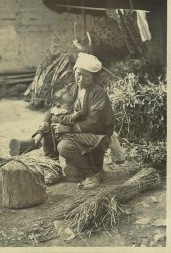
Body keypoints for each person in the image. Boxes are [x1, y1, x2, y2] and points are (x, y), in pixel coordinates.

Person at [38, 52, 115, 189]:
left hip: (95, 133)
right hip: (75, 129)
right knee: (47, 132)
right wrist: (45, 123)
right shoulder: (71, 88)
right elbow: (53, 109)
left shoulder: (98, 93)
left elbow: (95, 122)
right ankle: (55, 169)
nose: (80, 79)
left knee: (64, 147)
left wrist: (68, 128)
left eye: (86, 76)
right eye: (78, 73)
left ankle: (92, 174)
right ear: (74, 71)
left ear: (94, 77)